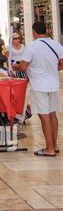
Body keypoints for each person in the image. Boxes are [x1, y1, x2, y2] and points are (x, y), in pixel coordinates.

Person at [13, 21, 63, 157]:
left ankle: (49, 148)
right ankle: (55, 144)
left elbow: (23, 67)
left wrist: (15, 66)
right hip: (53, 84)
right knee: (52, 114)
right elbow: (62, 64)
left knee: (44, 115)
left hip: (39, 85)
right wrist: (53, 68)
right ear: (45, 31)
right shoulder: (56, 44)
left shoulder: (32, 47)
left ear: (34, 32)